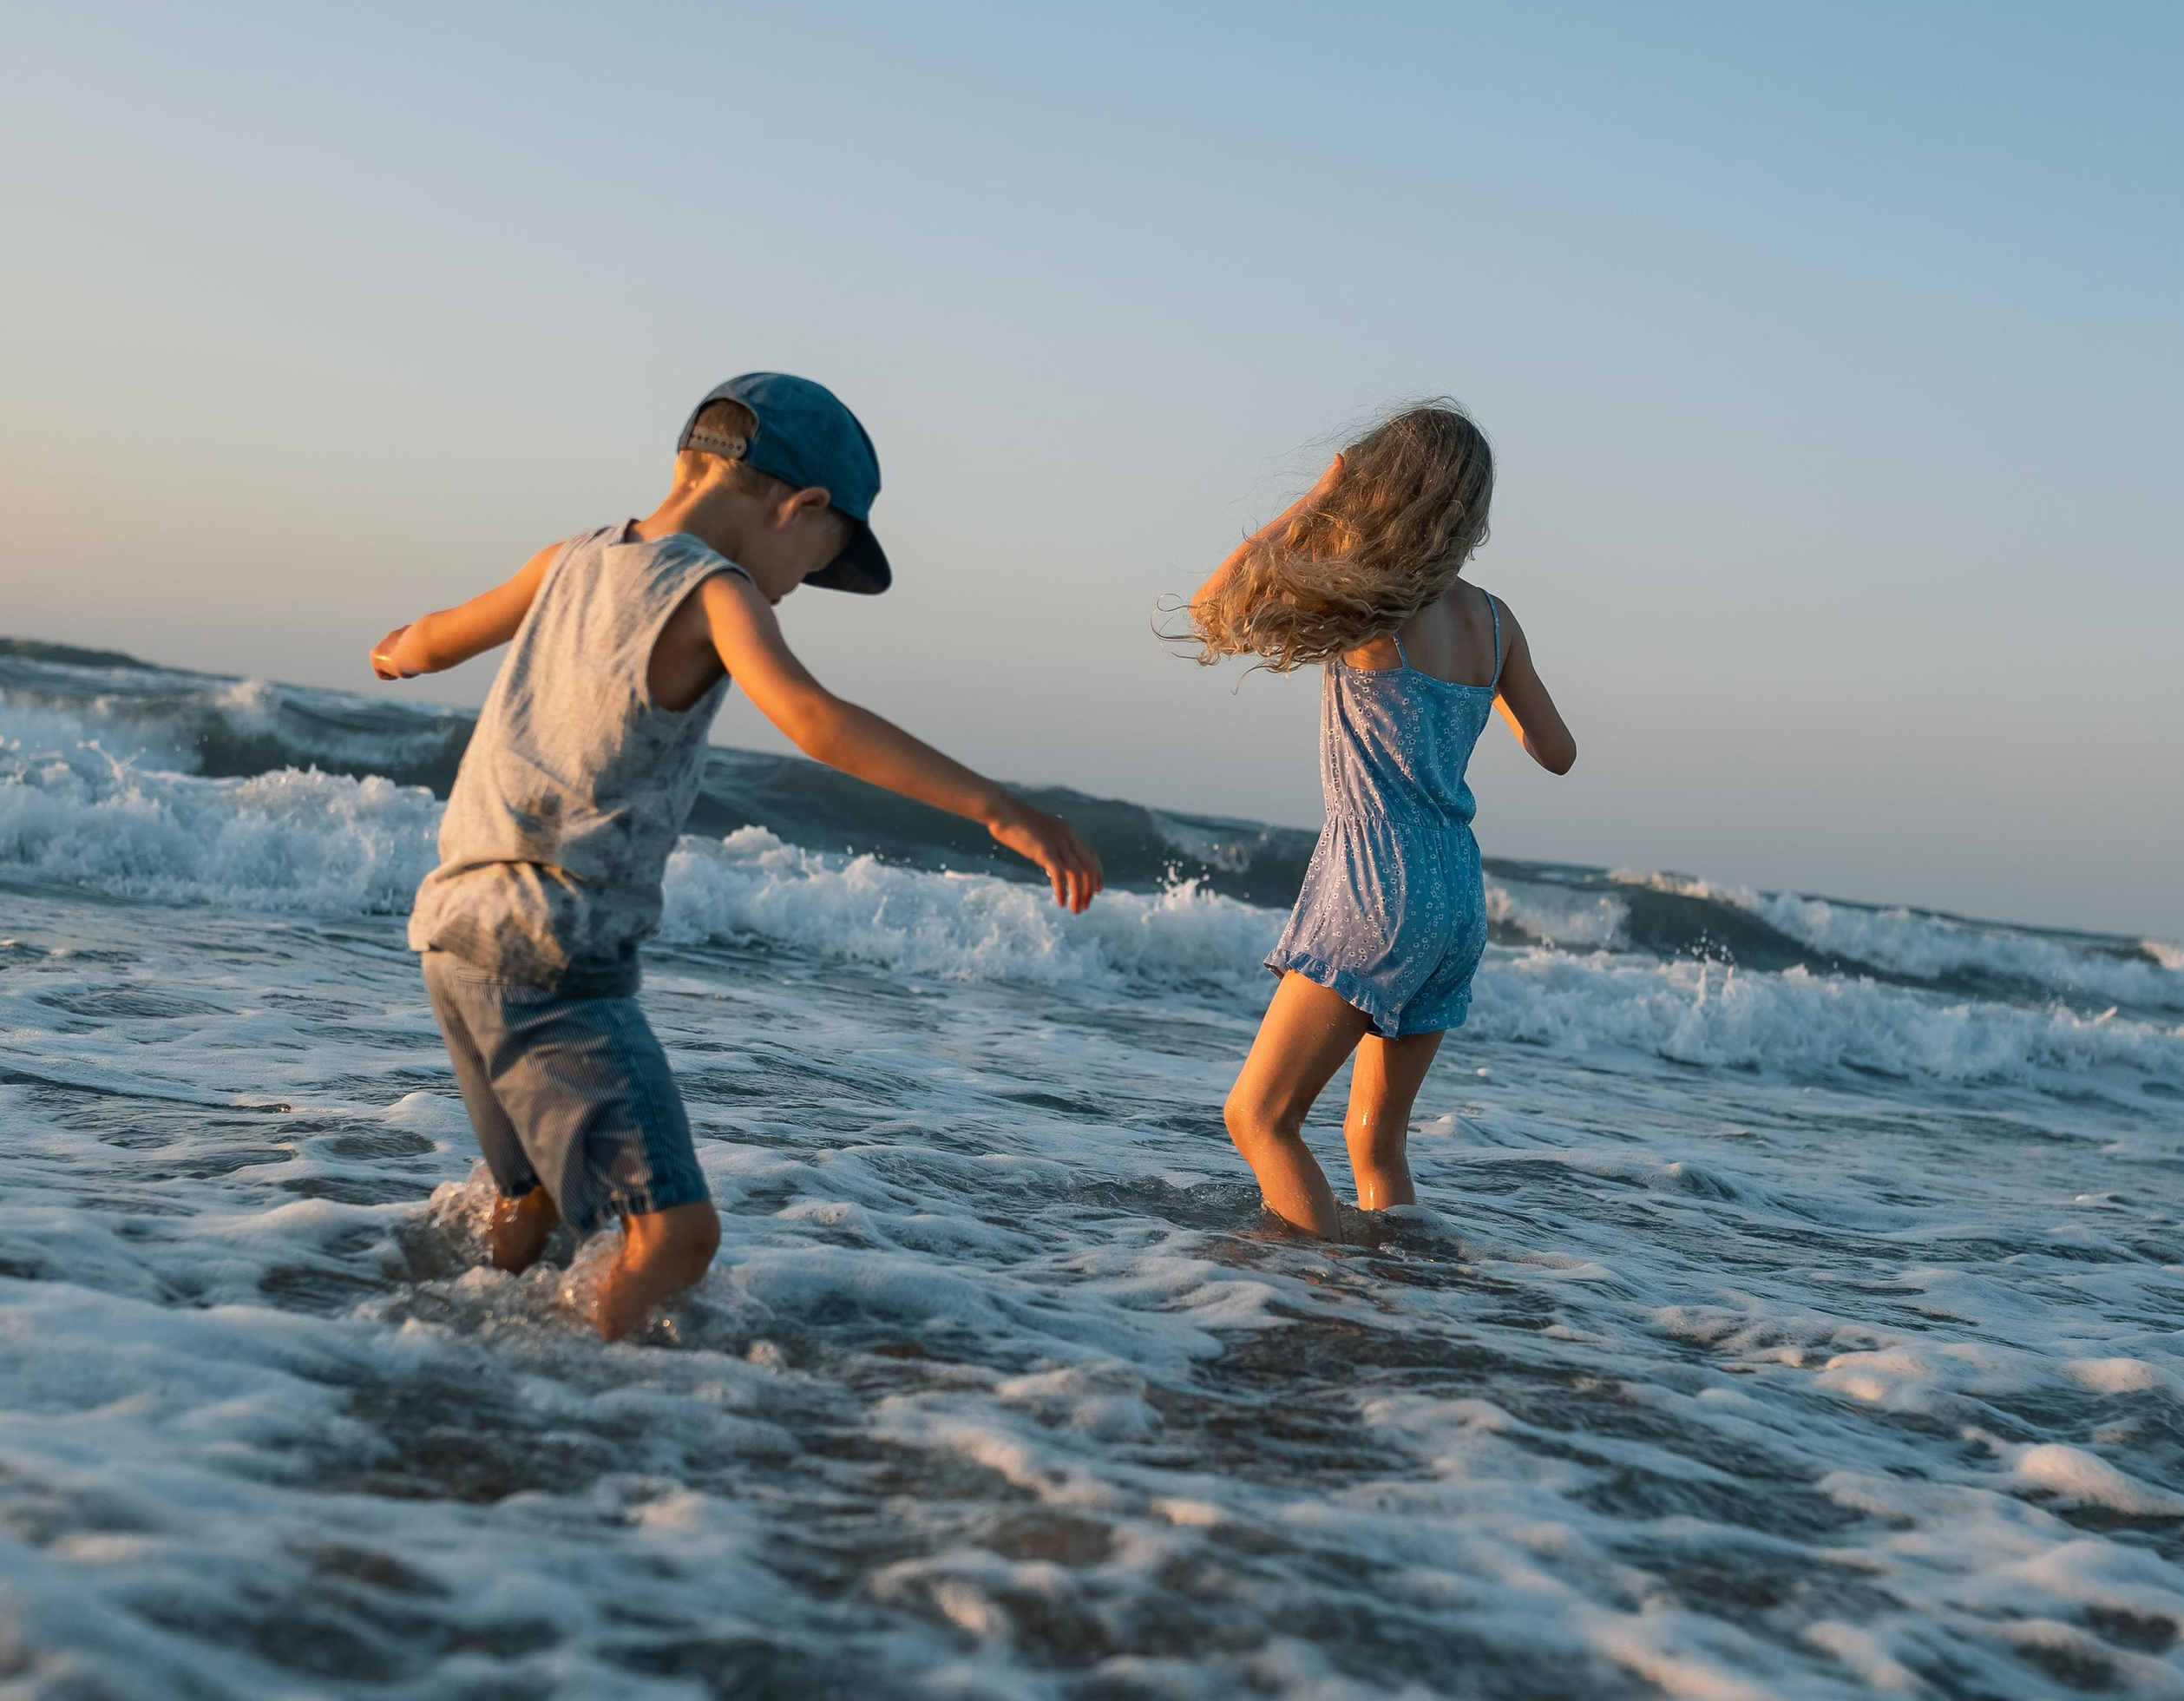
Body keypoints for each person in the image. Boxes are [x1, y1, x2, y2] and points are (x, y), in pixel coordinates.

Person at [371, 371, 1101, 1337]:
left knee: (531, 1200)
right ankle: (573, 1396)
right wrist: (999, 808)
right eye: (814, 562)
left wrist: (395, 652)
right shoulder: (717, 591)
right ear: (800, 505)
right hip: (557, 955)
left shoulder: (568, 558)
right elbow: (813, 720)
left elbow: (426, 642)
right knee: (677, 1236)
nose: (794, 587)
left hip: (453, 936)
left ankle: (439, 1355)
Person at [1180, 400, 1574, 1242]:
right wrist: (1473, 695)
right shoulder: (1495, 622)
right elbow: (1557, 752)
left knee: (1260, 1117)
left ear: (1383, 488)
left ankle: (1308, 1292)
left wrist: (1321, 496)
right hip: (1456, 896)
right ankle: (1391, 1301)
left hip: (1376, 886)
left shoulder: (1373, 604)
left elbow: (1214, 604)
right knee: (1376, 1141)